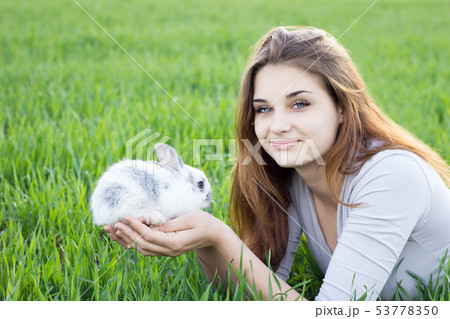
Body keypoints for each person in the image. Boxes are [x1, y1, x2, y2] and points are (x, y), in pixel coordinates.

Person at [104, 26, 450, 301]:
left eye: (300, 104)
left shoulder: (393, 176)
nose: (278, 125)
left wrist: (221, 237)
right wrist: (207, 240)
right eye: (264, 109)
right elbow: (255, 293)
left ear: (343, 108)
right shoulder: (294, 178)